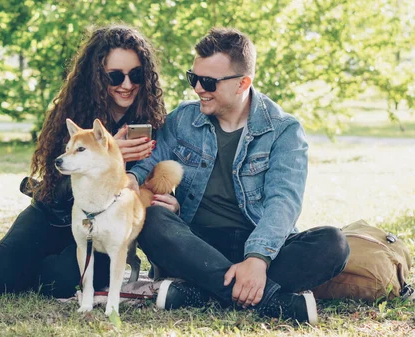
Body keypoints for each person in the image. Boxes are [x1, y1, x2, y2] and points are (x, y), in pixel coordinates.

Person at [0, 24, 167, 299]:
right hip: (54, 216)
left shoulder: (152, 120)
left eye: (136, 74)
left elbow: (149, 186)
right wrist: (102, 158)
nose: (127, 85)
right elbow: (55, 191)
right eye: (115, 77)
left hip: (100, 232)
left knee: (57, 283)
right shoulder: (75, 111)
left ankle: (12, 265)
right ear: (97, 77)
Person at [126, 27, 350, 324]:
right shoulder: (183, 119)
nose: (198, 89)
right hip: (198, 245)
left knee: (334, 243)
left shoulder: (283, 129)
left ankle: (203, 292)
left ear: (243, 82)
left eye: (208, 82)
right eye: (194, 78)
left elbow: (283, 202)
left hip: (260, 245)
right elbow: (148, 162)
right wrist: (131, 180)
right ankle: (273, 301)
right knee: (151, 220)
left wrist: (257, 259)